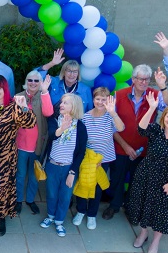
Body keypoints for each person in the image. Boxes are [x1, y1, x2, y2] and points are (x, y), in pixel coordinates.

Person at [125, 95, 168, 253]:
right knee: (143, 206)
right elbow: (141, 128)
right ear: (164, 117)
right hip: (147, 176)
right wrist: (152, 108)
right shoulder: (156, 130)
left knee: (161, 212)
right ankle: (143, 233)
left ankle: (155, 242)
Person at [102, 64, 168, 220]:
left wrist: (163, 87)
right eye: (140, 79)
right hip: (120, 146)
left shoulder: (154, 95)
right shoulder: (119, 95)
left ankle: (132, 208)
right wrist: (125, 146)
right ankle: (114, 206)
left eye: (146, 79)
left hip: (143, 148)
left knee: (137, 180)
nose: (143, 82)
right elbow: (111, 125)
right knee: (117, 178)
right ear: (133, 79)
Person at [0, 75, 36, 235]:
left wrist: (25, 107)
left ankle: (0, 219)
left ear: (5, 89)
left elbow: (30, 123)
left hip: (5, 155)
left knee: (2, 187)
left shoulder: (13, 106)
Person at [72, 87, 125, 230]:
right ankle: (81, 211)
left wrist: (113, 112)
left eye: (103, 99)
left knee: (96, 187)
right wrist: (90, 159)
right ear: (93, 100)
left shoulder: (110, 116)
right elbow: (81, 140)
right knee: (83, 184)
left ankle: (91, 215)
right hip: (88, 158)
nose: (100, 102)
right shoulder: (85, 116)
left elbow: (120, 128)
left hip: (104, 159)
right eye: (97, 99)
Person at [40, 93, 87, 237]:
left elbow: (81, 153)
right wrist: (63, 128)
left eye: (66, 103)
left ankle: (59, 221)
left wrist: (72, 173)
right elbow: (53, 135)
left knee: (65, 196)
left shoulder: (80, 127)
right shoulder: (55, 120)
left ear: (74, 107)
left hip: (68, 168)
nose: (61, 105)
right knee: (52, 193)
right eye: (62, 102)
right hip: (52, 165)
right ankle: (50, 216)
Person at [15, 71, 53, 215]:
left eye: (36, 81)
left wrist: (44, 91)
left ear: (40, 82)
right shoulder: (18, 97)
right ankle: (18, 200)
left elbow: (48, 113)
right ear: (26, 81)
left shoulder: (44, 96)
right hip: (21, 144)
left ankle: (30, 200)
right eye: (30, 80)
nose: (33, 83)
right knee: (20, 174)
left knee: (33, 175)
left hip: (37, 145)